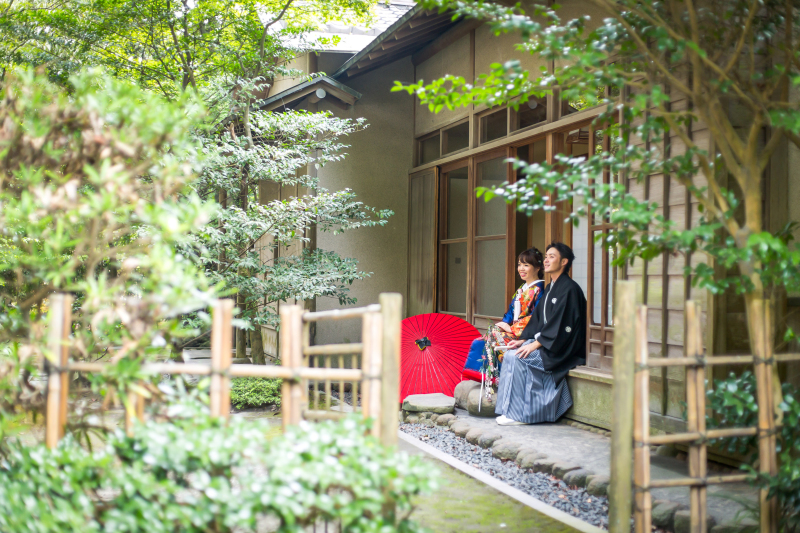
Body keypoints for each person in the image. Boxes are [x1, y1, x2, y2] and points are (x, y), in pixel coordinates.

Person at [494, 242, 587, 426]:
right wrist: (522, 340)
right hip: (547, 343)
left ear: (564, 262)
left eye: (551, 256)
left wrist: (536, 344)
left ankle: (519, 415)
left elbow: (562, 325)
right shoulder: (551, 288)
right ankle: (507, 410)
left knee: (519, 357)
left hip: (561, 349)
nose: (546, 260)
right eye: (546, 256)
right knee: (511, 354)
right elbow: (537, 320)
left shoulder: (569, 289)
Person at [461, 248, 545, 385]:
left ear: (538, 267)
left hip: (527, 335)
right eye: (519, 264)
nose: (521, 269)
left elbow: (537, 316)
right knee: (487, 336)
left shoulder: (541, 289)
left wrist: (511, 329)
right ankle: (482, 375)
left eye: (526, 265)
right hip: (516, 331)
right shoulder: (522, 288)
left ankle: (497, 377)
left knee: (489, 340)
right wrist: (503, 324)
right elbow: (511, 312)